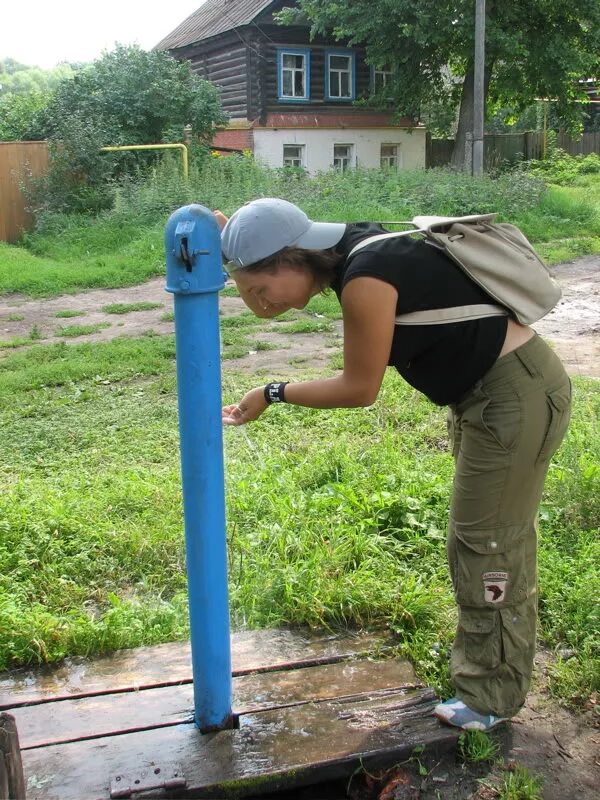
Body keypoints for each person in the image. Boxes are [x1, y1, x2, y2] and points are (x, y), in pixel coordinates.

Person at [215, 198, 572, 732]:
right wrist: (230, 234)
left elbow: (360, 389)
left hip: (509, 399)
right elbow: (268, 228)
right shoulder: (351, 244)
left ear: (293, 259)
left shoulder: (365, 280)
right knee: (487, 536)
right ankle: (492, 670)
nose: (256, 306)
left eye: (259, 291)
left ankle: (491, 695)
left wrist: (272, 391)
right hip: (498, 394)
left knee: (489, 544)